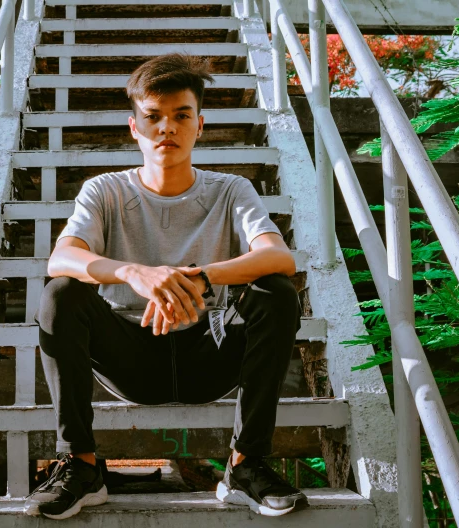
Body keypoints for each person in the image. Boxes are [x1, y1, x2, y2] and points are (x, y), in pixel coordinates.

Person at [24, 53, 307, 520]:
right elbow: (62, 258)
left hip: (208, 351)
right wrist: (136, 273)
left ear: (201, 125)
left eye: (181, 116)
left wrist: (199, 277)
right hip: (131, 356)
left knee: (275, 292)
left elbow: (279, 256)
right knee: (61, 294)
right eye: (153, 117)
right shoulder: (105, 191)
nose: (167, 129)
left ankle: (246, 464)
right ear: (134, 126)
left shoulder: (231, 190)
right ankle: (82, 465)